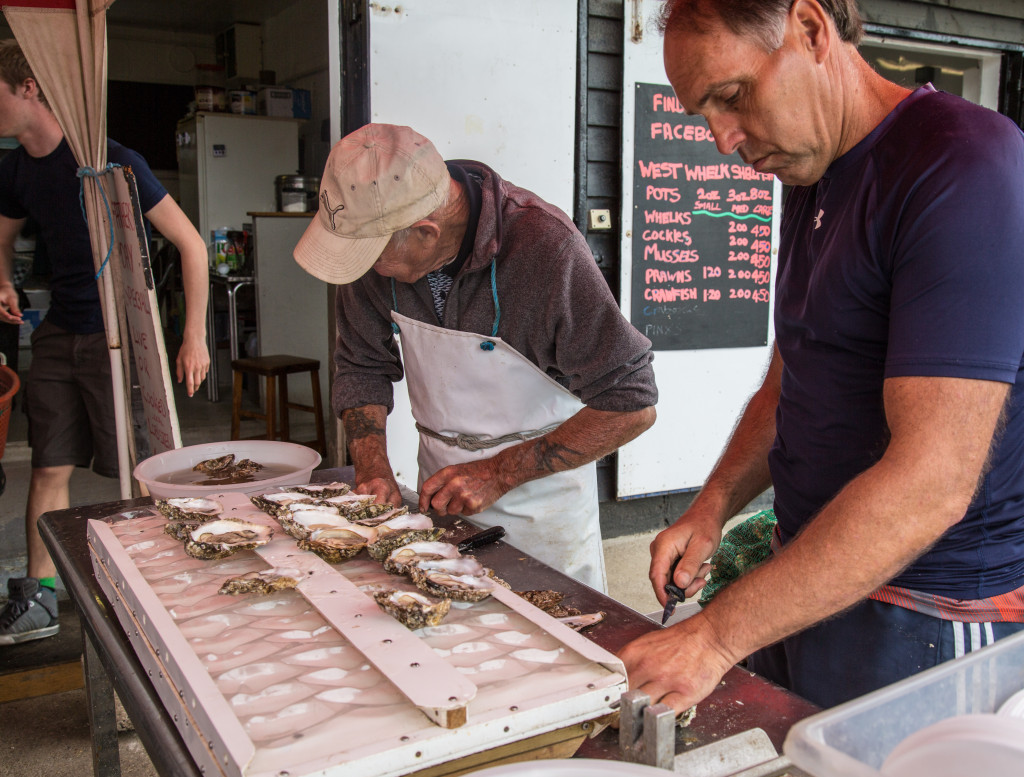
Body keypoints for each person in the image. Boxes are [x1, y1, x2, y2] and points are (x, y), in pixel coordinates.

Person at [619, 0, 1024, 711]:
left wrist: (714, 637)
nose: (722, 141)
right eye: (702, 115)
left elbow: (933, 480)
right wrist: (711, 506)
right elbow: (794, 374)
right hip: (811, 579)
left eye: (732, 96)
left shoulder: (963, 164)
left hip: (925, 612)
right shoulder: (814, 178)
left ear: (810, 29)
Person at [293, 123, 658, 592]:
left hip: (541, 505)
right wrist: (372, 466)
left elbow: (632, 404)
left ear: (425, 232)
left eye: (370, 258)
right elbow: (362, 365)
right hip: (441, 498)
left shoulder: (545, 249)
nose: (361, 270)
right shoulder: (375, 248)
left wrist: (499, 472)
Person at [0, 40, 210, 644]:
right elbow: (2, 232)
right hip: (60, 331)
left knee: (141, 474)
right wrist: (3, 277)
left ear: (29, 89)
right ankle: (39, 600)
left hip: (120, 337)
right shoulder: (16, 168)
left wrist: (191, 336)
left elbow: (191, 245)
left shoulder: (110, 161)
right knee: (47, 466)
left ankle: (164, 593)